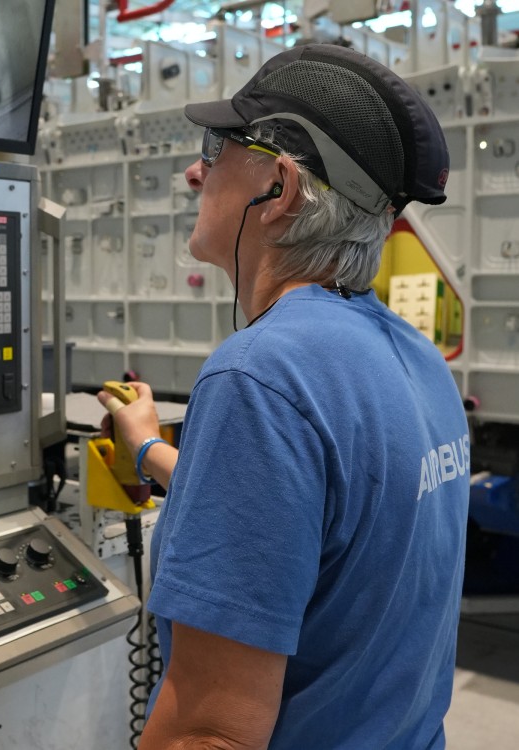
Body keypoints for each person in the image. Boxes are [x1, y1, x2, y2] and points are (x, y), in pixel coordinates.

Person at [99, 43, 469, 749]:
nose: (193, 172)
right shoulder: (413, 357)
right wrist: (147, 447)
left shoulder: (260, 378)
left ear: (280, 189)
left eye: (217, 150)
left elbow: (211, 732)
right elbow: (305, 520)